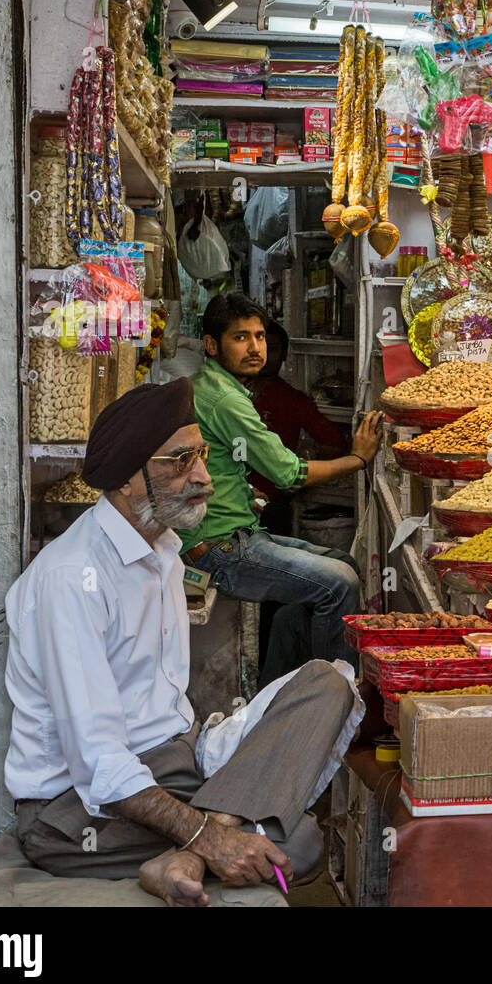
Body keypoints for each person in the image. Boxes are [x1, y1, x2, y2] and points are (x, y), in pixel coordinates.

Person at [3, 381, 360, 906]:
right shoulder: (72, 579)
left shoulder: (164, 550)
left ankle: (184, 859)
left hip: (176, 763)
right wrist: (213, 836)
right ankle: (207, 837)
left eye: (202, 455)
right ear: (127, 477)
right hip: (79, 808)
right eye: (179, 461)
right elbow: (100, 765)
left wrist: (202, 838)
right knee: (295, 841)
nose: (203, 477)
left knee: (328, 683)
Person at [181, 292, 383, 688]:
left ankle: (276, 689)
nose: (255, 348)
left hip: (237, 531)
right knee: (339, 583)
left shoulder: (215, 386)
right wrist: (358, 459)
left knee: (345, 564)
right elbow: (288, 472)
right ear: (211, 345)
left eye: (259, 337)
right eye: (241, 338)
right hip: (218, 550)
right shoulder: (225, 399)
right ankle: (331, 700)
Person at [247, 321, 348, 536]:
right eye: (260, 347)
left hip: (273, 500)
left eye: (273, 349)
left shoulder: (293, 400)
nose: (265, 355)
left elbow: (333, 443)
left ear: (284, 354)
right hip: (232, 495)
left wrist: (300, 479)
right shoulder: (232, 394)